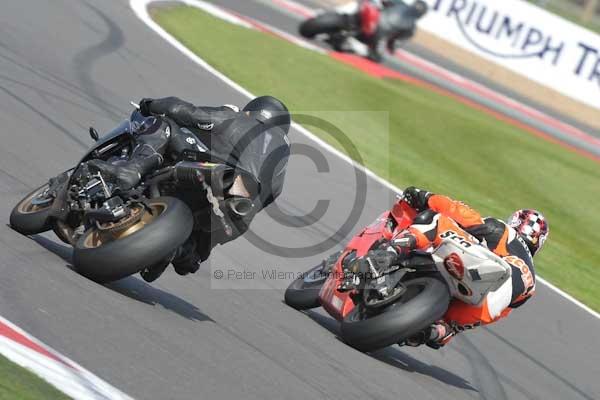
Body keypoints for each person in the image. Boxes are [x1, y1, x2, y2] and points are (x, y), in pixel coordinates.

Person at [87, 96, 291, 282]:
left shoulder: (242, 119)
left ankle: (132, 170)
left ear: (252, 112)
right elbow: (263, 202)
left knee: (164, 123)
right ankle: (178, 252)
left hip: (215, 173)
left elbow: (187, 112)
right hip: (238, 211)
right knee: (197, 251)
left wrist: (151, 105)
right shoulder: (282, 165)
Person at [355, 187, 549, 349]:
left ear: (515, 222)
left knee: (437, 220)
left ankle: (389, 253)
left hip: (472, 264)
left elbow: (463, 214)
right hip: (487, 296)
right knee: (462, 320)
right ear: (538, 244)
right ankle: (440, 330)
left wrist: (427, 197)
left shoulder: (504, 230)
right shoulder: (530, 285)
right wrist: (454, 326)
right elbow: (498, 312)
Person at [362, 0, 428, 61]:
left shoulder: (400, 4)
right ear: (421, 14)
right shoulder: (412, 28)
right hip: (379, 35)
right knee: (379, 57)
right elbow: (395, 44)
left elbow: (383, 2)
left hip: (373, 25)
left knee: (378, 55)